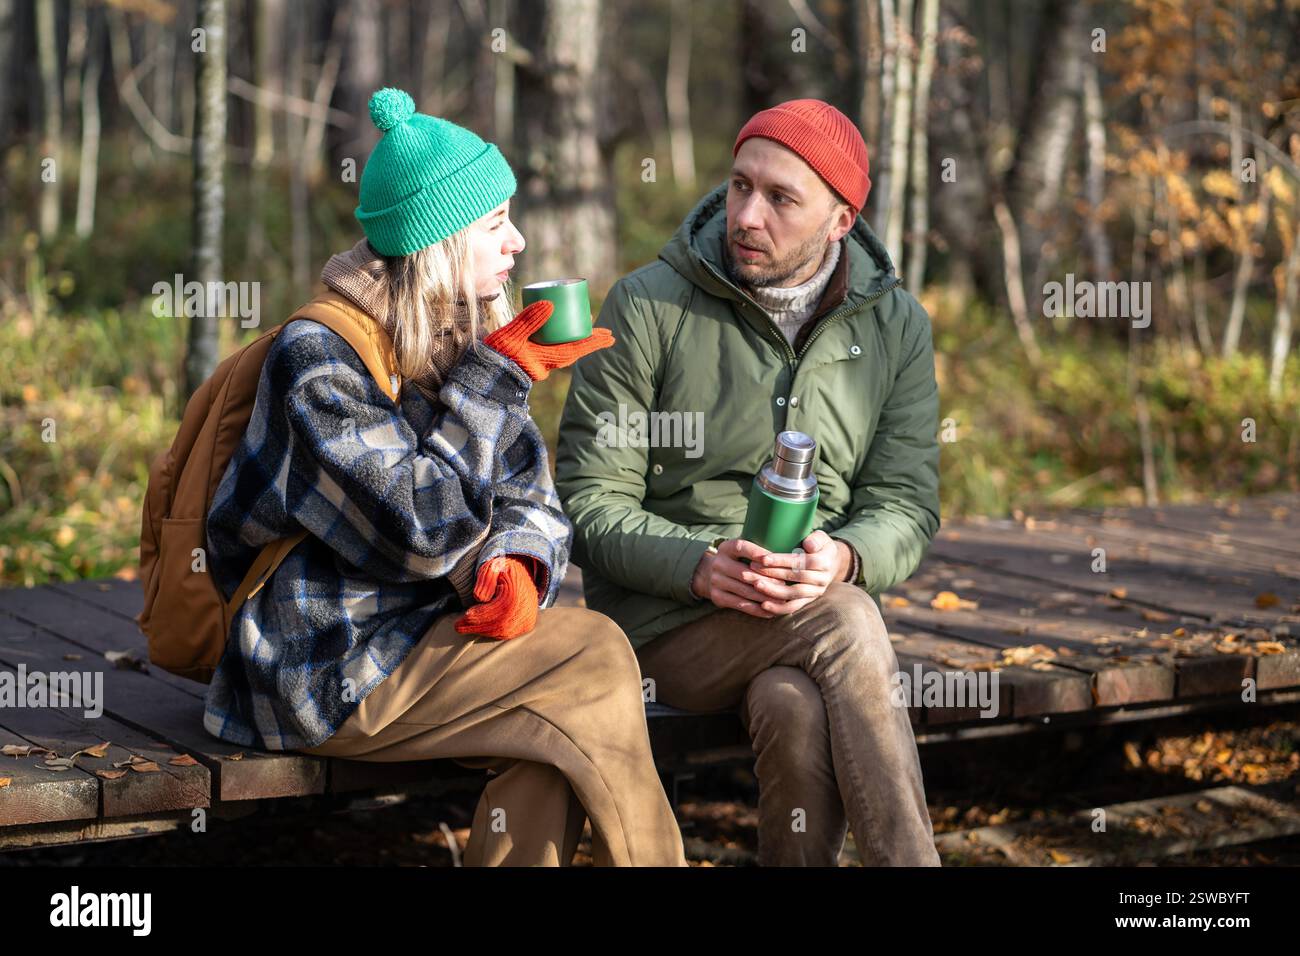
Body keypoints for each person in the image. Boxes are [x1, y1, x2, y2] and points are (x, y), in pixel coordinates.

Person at [201, 87, 686, 867]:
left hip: (421, 638)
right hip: (321, 661)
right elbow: (420, 531)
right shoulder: (319, 361)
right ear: (438, 241)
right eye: (495, 224)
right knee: (594, 652)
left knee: (554, 745)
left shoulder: (464, 335)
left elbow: (531, 493)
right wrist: (494, 386)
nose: (519, 242)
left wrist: (519, 562)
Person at [555, 98, 942, 866]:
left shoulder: (895, 327)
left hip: (804, 610)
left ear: (840, 221)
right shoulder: (647, 307)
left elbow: (905, 503)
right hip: (666, 627)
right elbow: (590, 498)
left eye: (780, 199)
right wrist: (698, 565)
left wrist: (845, 556)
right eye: (739, 186)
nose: (746, 215)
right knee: (849, 624)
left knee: (793, 708)